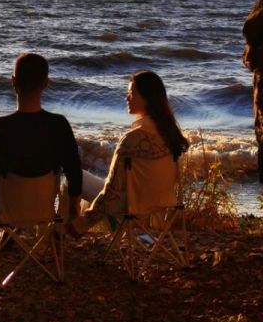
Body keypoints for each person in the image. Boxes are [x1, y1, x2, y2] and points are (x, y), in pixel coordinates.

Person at [0, 51, 83, 250]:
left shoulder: (0, 127)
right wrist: (75, 206)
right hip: (45, 211)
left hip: (3, 213)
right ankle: (12, 235)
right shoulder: (59, 125)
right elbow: (74, 172)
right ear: (46, 83)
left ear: (13, 82)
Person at [78, 69, 188, 231]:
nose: (126, 98)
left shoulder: (132, 139)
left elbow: (111, 192)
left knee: (72, 179)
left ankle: (59, 239)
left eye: (131, 93)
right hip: (159, 207)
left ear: (147, 98)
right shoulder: (170, 134)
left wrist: (84, 223)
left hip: (130, 208)